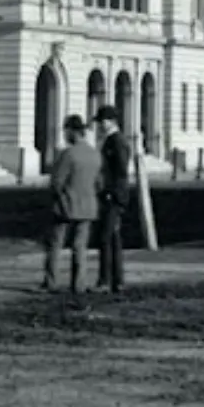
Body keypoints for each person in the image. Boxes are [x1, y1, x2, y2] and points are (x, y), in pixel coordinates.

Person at [43, 115, 103, 296]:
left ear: (71, 131)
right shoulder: (94, 154)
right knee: (80, 247)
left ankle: (51, 281)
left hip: (66, 205)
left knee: (56, 245)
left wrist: (56, 197)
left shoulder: (68, 154)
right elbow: (99, 182)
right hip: (88, 205)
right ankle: (79, 283)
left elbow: (57, 182)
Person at [94, 105, 132, 293]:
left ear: (111, 121)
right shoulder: (113, 140)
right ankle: (117, 280)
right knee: (114, 238)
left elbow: (121, 170)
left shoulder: (116, 141)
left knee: (105, 237)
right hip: (115, 193)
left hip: (113, 195)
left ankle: (105, 280)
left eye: (102, 121)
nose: (100, 125)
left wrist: (111, 191)